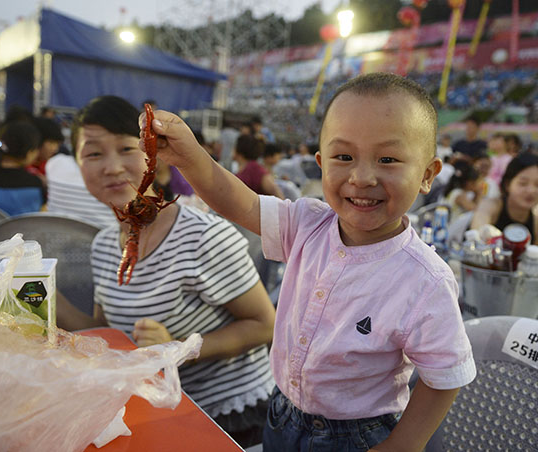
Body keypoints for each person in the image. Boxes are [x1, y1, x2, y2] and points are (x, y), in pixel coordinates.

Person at [146, 72, 476, 451]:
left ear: (427, 175)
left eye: (388, 159)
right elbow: (241, 202)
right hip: (282, 413)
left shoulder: (425, 279)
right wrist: (189, 155)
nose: (362, 176)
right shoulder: (306, 224)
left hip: (356, 435)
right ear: (321, 163)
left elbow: (445, 375)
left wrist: (403, 445)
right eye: (343, 157)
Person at [56, 95, 276, 448]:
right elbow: (113, 336)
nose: (111, 167)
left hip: (230, 417)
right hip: (153, 410)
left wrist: (177, 349)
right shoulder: (101, 246)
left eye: (126, 148)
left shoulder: (204, 235)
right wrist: (41, 294)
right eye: (93, 154)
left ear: (152, 156)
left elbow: (266, 324)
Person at [471, 152, 538, 244]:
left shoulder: (535, 219)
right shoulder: (491, 205)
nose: (531, 190)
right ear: (507, 184)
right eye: (523, 183)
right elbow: (477, 231)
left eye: (537, 185)